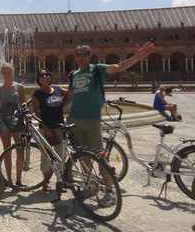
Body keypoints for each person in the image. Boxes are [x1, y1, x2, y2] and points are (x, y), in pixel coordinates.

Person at [66, 42, 155, 207]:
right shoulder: (74, 75)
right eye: (78, 54)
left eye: (84, 54)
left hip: (92, 119)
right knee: (84, 157)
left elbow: (119, 67)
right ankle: (91, 186)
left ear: (90, 56)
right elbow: (69, 98)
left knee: (100, 157)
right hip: (74, 120)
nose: (81, 57)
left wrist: (136, 57)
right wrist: (49, 107)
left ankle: (109, 191)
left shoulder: (97, 69)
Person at [32, 69, 68, 192]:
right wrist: (45, 127)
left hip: (59, 127)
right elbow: (36, 113)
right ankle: (46, 181)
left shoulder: (58, 89)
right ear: (39, 79)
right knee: (46, 155)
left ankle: (60, 181)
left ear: (51, 77)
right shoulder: (37, 94)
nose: (44, 76)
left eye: (47, 74)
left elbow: (71, 94)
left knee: (61, 155)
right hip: (46, 129)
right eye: (41, 75)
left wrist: (63, 105)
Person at [0, 62, 26, 187]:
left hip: (17, 120)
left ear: (13, 72)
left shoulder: (20, 87)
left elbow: (23, 105)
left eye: (9, 72)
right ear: (1, 74)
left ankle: (19, 179)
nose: (7, 75)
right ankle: (8, 179)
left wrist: (27, 122)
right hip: (4, 121)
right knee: (7, 150)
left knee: (20, 149)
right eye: (5, 73)